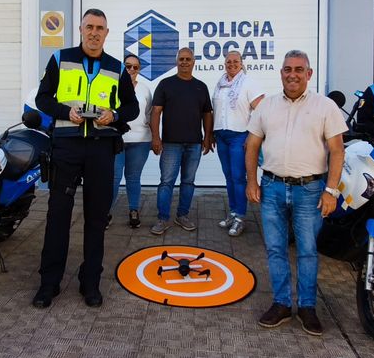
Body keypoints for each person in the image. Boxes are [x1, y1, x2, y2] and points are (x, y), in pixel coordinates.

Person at [32, 9, 139, 309]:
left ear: (107, 33)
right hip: (66, 146)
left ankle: (90, 282)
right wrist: (65, 112)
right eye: (89, 26)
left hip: (101, 148)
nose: (94, 32)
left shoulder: (116, 68)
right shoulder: (60, 59)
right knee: (58, 216)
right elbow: (42, 98)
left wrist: (113, 115)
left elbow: (131, 108)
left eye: (99, 28)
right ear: (80, 29)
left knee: (96, 218)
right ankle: (49, 283)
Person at [246, 50, 346, 336]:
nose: (293, 75)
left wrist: (331, 191)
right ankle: (281, 303)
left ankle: (307, 307)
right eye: (287, 69)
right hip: (272, 187)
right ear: (281, 73)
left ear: (309, 74)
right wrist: (251, 182)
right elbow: (252, 145)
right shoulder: (266, 106)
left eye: (299, 69)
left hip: (310, 190)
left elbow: (337, 150)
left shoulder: (325, 107)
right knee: (275, 248)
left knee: (307, 251)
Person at [149, 48, 213, 235]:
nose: (184, 62)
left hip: (194, 144)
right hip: (171, 144)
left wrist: (207, 137)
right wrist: (155, 137)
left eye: (188, 59)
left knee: (188, 182)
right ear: (176, 61)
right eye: (181, 59)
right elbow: (156, 112)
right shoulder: (165, 84)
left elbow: (207, 114)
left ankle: (182, 215)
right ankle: (163, 219)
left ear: (194, 62)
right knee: (166, 182)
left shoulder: (201, 87)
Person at [212, 50, 264, 237]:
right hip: (221, 136)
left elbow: (261, 112)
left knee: (238, 177)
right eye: (228, 62)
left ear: (241, 63)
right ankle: (233, 212)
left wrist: (252, 136)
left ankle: (240, 217)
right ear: (224, 64)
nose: (232, 64)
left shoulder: (248, 83)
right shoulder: (220, 83)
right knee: (228, 177)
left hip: (239, 136)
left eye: (235, 61)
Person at [110, 54, 154, 229]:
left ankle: (133, 211)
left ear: (139, 70)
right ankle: (106, 212)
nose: (131, 70)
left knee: (133, 177)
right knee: (114, 177)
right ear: (123, 67)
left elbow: (150, 114)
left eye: (135, 67)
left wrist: (156, 138)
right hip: (117, 139)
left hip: (141, 140)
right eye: (128, 66)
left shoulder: (145, 89)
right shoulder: (113, 86)